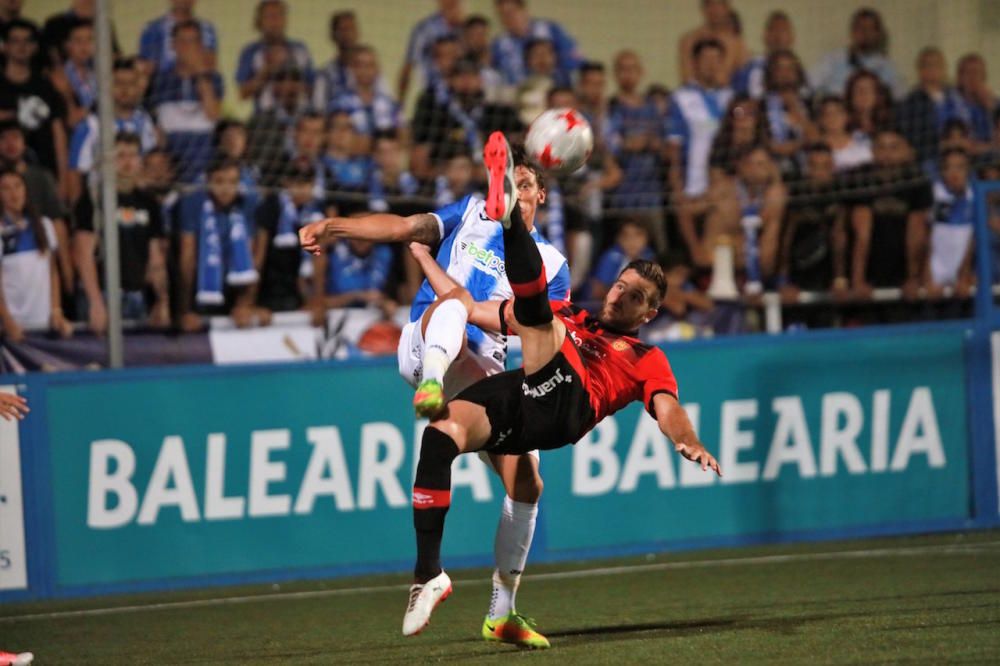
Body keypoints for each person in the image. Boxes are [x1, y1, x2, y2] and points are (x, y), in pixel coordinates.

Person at [393, 131, 720, 638]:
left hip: (569, 403)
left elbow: (667, 406)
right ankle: (451, 587)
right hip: (528, 393)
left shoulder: (644, 357)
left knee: (541, 317)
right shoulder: (573, 315)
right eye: (619, 285)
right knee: (444, 438)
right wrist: (426, 262)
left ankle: (508, 221)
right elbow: (468, 306)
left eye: (634, 297)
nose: (619, 297)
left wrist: (687, 438)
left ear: (650, 314)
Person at [299, 139, 570, 649]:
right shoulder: (468, 214)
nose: (518, 191)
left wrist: (436, 272)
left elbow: (535, 328)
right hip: (427, 344)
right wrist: (333, 227)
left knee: (528, 483)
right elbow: (402, 228)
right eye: (511, 183)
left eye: (526, 185)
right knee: (453, 305)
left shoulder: (551, 267)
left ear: (541, 200)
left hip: (483, 371)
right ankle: (429, 387)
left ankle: (501, 612)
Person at [73, 133, 169, 333]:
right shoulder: (93, 198)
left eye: (133, 155)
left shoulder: (148, 202)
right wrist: (95, 301)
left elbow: (155, 258)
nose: (128, 162)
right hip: (104, 294)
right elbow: (83, 253)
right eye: (121, 155)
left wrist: (162, 300)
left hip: (136, 295)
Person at [667, 38, 734, 266]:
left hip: (727, 185)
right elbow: (673, 148)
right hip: (694, 187)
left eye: (717, 60)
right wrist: (677, 186)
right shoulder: (681, 99)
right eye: (706, 60)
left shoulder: (731, 99)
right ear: (694, 63)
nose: (712, 65)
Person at [176, 158, 258, 332]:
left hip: (234, 292)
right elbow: (187, 260)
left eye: (232, 182)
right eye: (219, 181)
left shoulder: (246, 205)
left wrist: (245, 303)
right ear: (207, 182)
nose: (226, 189)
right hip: (200, 292)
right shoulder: (193, 204)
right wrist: (185, 310)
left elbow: (252, 259)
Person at [777, 142, 848, 328]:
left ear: (833, 168)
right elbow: (785, 240)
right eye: (814, 166)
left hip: (826, 281)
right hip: (797, 279)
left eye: (825, 167)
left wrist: (840, 279)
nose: (819, 173)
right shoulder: (796, 196)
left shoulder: (840, 195)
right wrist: (785, 281)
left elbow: (839, 238)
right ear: (807, 169)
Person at [68, 57, 158, 202]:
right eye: (118, 83)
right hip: (101, 202)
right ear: (107, 86)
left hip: (138, 202)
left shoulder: (145, 122)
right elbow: (75, 173)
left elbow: (149, 164)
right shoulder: (90, 126)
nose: (125, 89)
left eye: (131, 83)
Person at [147, 19, 223, 183]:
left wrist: (201, 73)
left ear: (201, 45)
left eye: (194, 41)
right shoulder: (160, 80)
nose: (188, 47)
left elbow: (212, 114)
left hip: (203, 164)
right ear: (173, 45)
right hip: (170, 167)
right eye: (183, 41)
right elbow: (157, 126)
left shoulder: (214, 79)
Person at [0, 19, 69, 198]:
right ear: (5, 46)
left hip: (44, 173)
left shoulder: (46, 86)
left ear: (35, 47)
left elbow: (58, 134)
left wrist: (63, 179)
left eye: (27, 41)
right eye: (15, 41)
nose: (22, 46)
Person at [0, 169, 72, 341]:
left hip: (43, 322)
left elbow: (52, 272)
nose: (13, 193)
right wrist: (8, 321)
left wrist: (56, 310)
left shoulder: (44, 225)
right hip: (13, 326)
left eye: (18, 186)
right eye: (6, 188)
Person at [253, 159, 326, 323]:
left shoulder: (314, 212)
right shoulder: (271, 207)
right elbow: (259, 257)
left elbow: (318, 258)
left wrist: (316, 302)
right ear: (286, 182)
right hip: (268, 291)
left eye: (307, 183)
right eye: (297, 183)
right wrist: (250, 303)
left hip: (297, 294)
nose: (303, 189)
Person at [235, 0, 314, 112]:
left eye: (279, 15)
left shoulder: (300, 49)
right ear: (259, 21)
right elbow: (243, 94)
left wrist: (292, 85)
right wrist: (267, 69)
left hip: (299, 119)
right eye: (269, 16)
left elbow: (313, 88)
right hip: (265, 120)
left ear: (285, 20)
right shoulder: (250, 52)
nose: (275, 21)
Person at [810, 7, 904, 99]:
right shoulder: (832, 60)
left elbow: (900, 97)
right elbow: (807, 87)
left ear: (877, 34)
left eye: (870, 28)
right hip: (839, 111)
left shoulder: (886, 66)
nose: (865, 33)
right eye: (860, 28)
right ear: (852, 32)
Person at [491, 0, 581, 88]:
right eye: (502, 15)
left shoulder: (550, 30)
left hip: (556, 93)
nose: (508, 18)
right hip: (518, 97)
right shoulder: (499, 45)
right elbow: (497, 76)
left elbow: (574, 64)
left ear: (524, 11)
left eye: (512, 12)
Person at [926, 148, 975, 299]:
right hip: (933, 279)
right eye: (949, 167)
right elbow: (923, 239)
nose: (954, 173)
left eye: (960, 167)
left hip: (963, 281)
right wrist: (927, 277)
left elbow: (974, 241)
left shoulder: (976, 197)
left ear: (968, 171)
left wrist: (965, 275)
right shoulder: (932, 196)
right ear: (942, 171)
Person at [399, 0, 466, 103]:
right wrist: (400, 103)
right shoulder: (425, 28)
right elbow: (408, 66)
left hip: (461, 98)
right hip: (431, 97)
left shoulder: (466, 29)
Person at [896, 47, 951, 168]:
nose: (932, 69)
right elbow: (912, 143)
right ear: (919, 70)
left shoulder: (955, 98)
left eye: (937, 64)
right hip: (928, 161)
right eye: (927, 65)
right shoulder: (909, 103)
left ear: (944, 68)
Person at [138, 0, 218, 77]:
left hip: (198, 87)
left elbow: (209, 67)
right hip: (162, 88)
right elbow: (146, 70)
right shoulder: (153, 29)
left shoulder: (206, 29)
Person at [678, 0, 748, 86]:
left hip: (728, 95)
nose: (715, 10)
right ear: (703, 9)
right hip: (695, 95)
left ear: (728, 8)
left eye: (719, 4)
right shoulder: (688, 41)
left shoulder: (738, 44)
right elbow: (687, 78)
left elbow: (741, 80)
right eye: (710, 5)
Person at [731, 10, 794, 99]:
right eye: (774, 29)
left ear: (792, 37)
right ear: (765, 35)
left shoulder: (798, 71)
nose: (778, 35)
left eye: (783, 30)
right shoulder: (750, 67)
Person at [313, 10, 359, 112]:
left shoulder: (370, 73)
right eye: (343, 29)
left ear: (357, 33)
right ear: (333, 35)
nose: (348, 34)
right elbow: (318, 109)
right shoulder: (325, 75)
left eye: (351, 29)